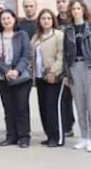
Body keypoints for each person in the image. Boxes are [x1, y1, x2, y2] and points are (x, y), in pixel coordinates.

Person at [63, 0, 91, 153]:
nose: (76, 11)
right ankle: (84, 136)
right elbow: (66, 54)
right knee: (80, 106)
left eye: (78, 8)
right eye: (73, 9)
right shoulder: (68, 30)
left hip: (89, 68)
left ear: (83, 10)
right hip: (74, 68)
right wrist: (67, 73)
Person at [0, 9, 31, 148]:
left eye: (9, 18)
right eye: (3, 19)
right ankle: (11, 136)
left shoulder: (22, 35)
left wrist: (16, 71)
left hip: (21, 78)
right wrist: (6, 71)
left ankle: (24, 136)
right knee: (8, 108)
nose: (6, 21)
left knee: (21, 107)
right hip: (3, 78)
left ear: (14, 19)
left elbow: (26, 55)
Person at [31, 9, 65, 148]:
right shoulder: (36, 37)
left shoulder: (58, 36)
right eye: (43, 18)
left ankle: (57, 137)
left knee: (53, 108)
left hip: (53, 77)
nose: (46, 21)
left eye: (48, 18)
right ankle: (49, 135)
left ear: (53, 21)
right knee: (43, 108)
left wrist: (53, 72)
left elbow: (61, 56)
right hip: (40, 77)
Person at [55, 0, 76, 138]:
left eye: (63, 1)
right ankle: (65, 126)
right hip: (58, 64)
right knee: (62, 97)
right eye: (58, 2)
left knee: (75, 97)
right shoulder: (54, 21)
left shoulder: (75, 20)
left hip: (74, 63)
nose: (61, 4)